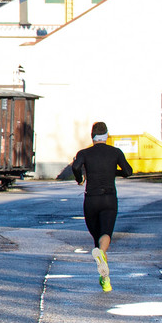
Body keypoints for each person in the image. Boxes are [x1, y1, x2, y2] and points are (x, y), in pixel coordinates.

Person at [69, 121, 133, 292]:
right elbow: (128, 171)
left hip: (91, 200)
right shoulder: (115, 152)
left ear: (92, 136)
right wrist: (113, 171)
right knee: (105, 234)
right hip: (109, 199)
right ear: (106, 135)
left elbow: (75, 166)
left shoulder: (84, 153)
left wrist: (79, 178)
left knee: (96, 236)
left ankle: (104, 276)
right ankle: (102, 263)